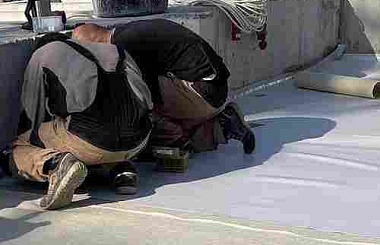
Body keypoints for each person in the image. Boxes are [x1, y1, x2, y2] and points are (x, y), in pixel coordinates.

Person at [5, 34, 153, 210]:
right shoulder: (116, 50)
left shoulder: (44, 53)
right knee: (110, 123)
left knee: (16, 148)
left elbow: (32, 113)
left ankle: (57, 165)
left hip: (90, 140)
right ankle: (122, 170)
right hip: (139, 141)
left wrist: (38, 142)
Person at [72, 19, 255, 154]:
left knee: (138, 106)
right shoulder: (126, 32)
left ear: (95, 45)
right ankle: (224, 124)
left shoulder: (126, 46)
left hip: (204, 91)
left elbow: (145, 98)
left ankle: (204, 129)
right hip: (213, 87)